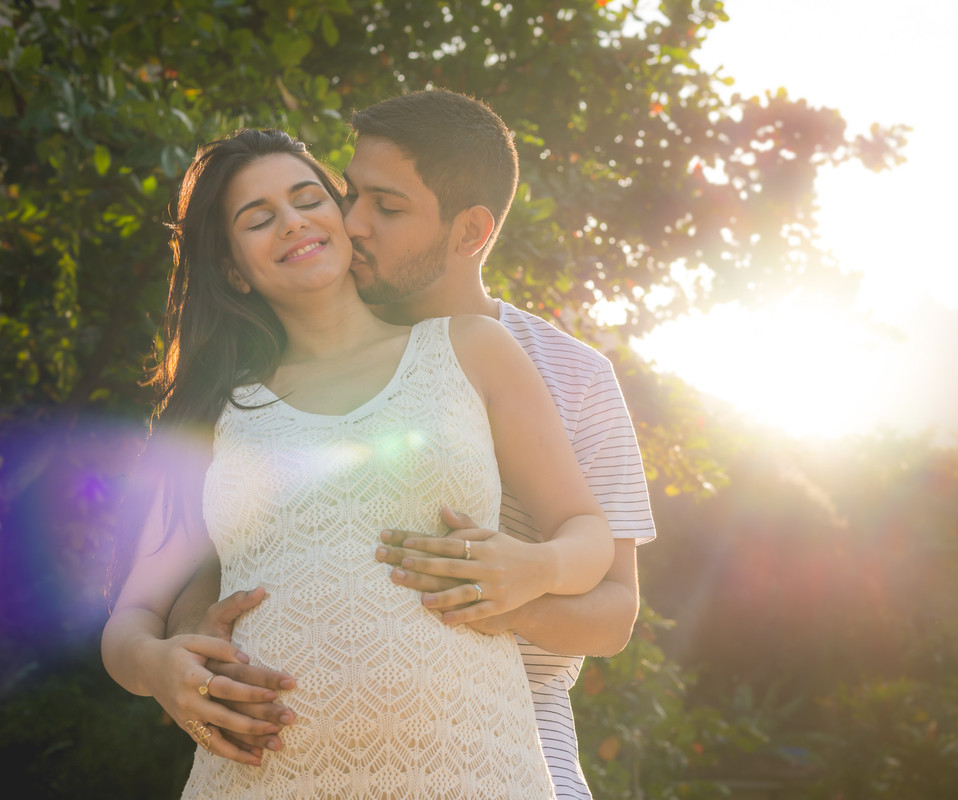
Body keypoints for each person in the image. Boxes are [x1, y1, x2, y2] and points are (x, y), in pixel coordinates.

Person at [168, 89, 656, 799]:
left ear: (470, 233)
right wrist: (192, 651)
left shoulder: (568, 374)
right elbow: (222, 556)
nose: (352, 223)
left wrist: (498, 594)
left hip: (512, 740)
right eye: (350, 193)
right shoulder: (294, 337)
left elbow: (615, 612)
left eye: (387, 208)